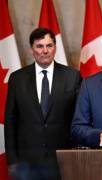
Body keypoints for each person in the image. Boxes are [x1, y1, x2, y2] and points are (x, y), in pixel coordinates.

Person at [4, 27, 82, 180]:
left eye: (49, 45)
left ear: (55, 48)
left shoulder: (72, 76)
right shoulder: (17, 79)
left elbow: (79, 118)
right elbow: (10, 121)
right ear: (32, 49)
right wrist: (12, 161)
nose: (45, 51)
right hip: (26, 163)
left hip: (62, 160)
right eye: (40, 46)